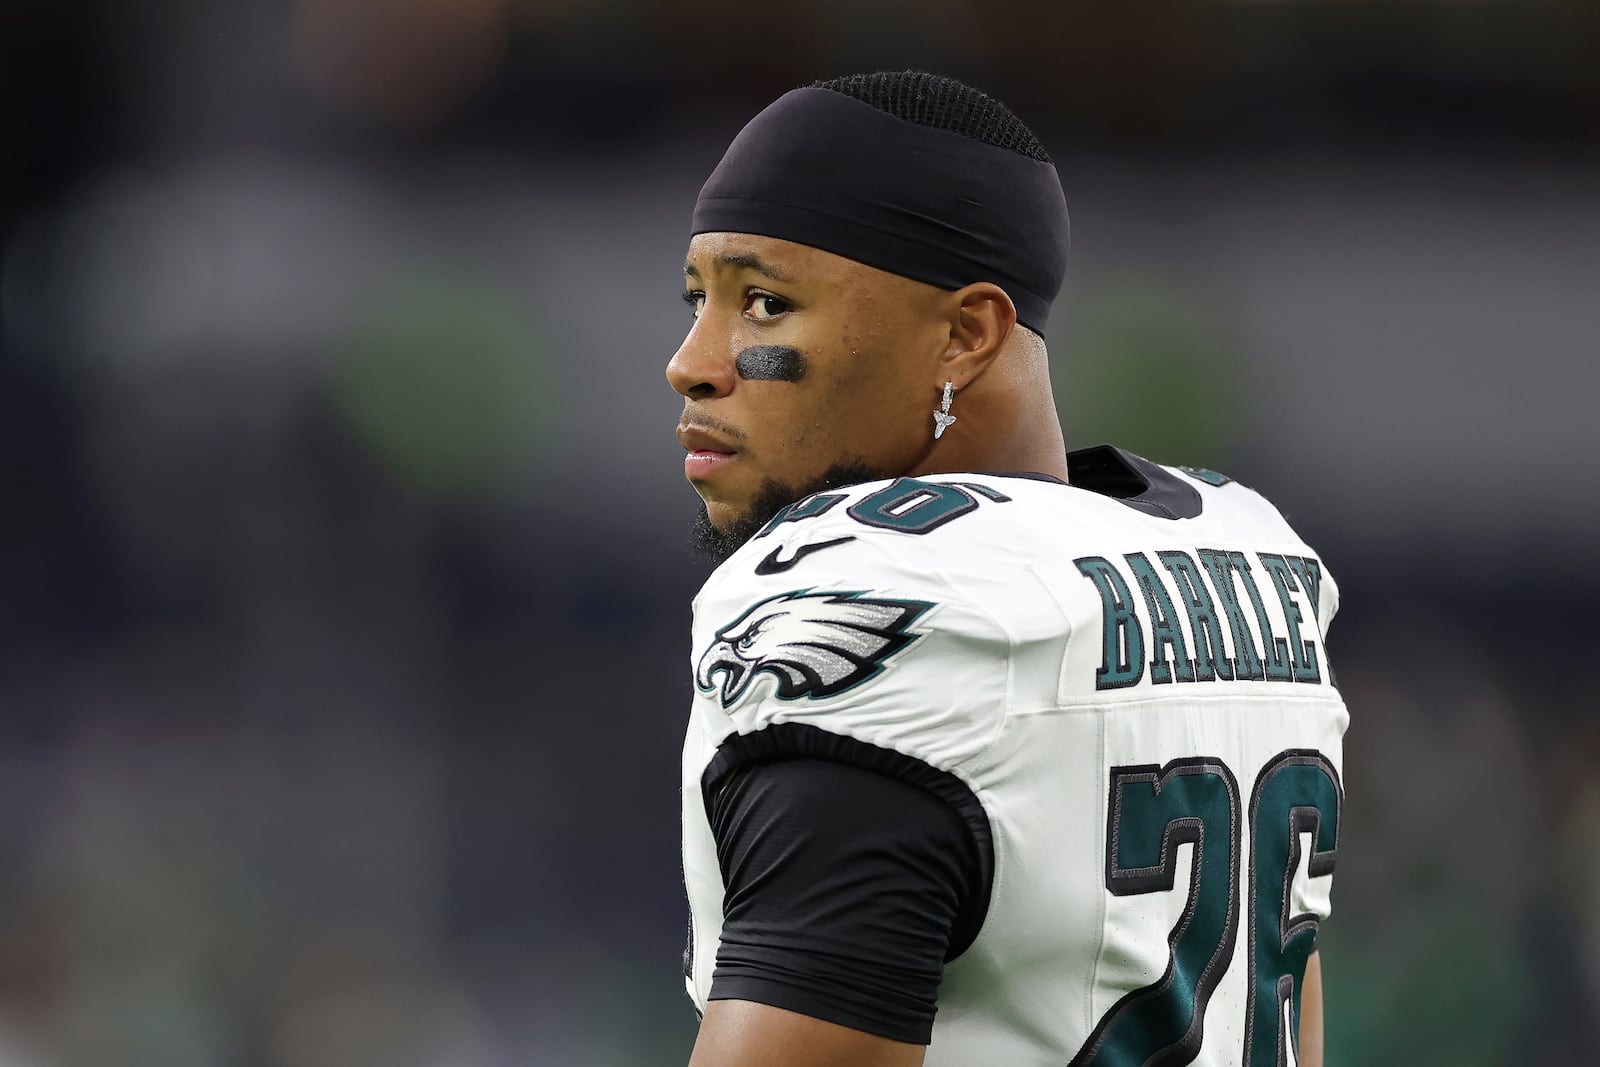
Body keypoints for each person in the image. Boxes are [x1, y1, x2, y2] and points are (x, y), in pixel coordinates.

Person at [668, 71, 1347, 1067]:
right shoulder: (1246, 556)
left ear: (963, 334)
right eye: (699, 299)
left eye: (764, 304)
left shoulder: (898, 599)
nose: (692, 360)